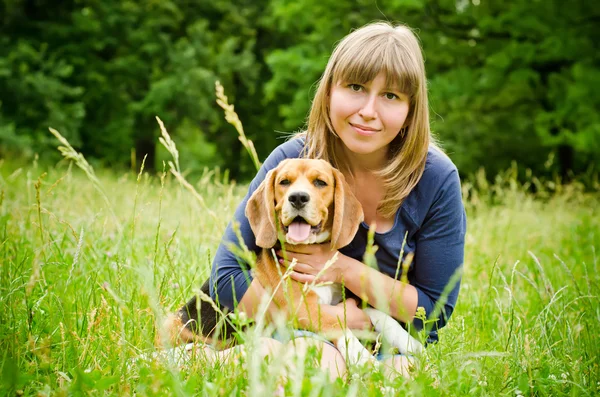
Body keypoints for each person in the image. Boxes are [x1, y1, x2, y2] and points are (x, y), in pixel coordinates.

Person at [208, 21, 466, 379]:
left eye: (391, 96)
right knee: (312, 359)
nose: (368, 111)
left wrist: (342, 268)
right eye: (356, 87)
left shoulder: (436, 179)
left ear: (411, 110)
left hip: (391, 339)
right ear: (329, 92)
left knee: (403, 377)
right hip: (295, 327)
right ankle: (215, 357)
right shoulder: (292, 160)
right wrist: (332, 321)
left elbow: (434, 311)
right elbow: (225, 278)